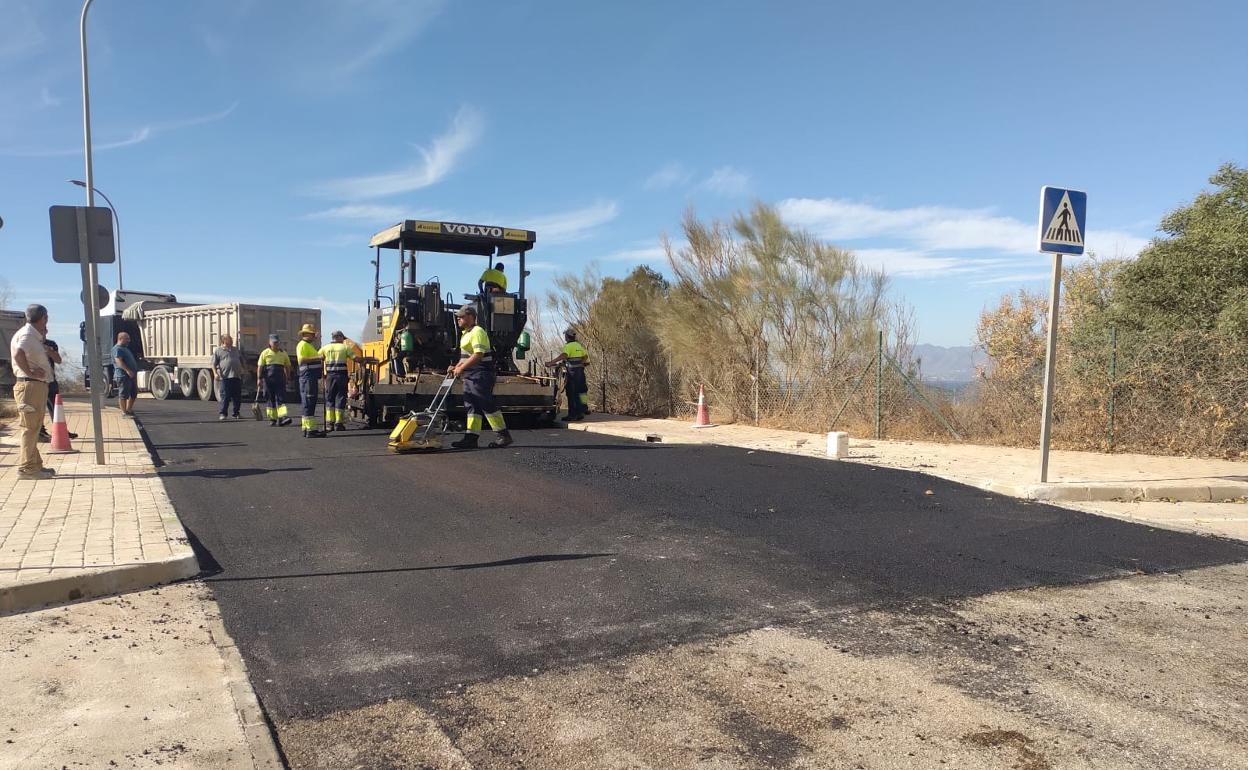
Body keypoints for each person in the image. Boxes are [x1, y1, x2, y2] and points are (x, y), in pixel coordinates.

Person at [448, 305, 511, 449]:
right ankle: (471, 438)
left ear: (471, 317)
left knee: (485, 403)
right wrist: (456, 366)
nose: (458, 318)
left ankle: (503, 435)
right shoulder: (466, 333)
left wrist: (461, 368)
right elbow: (466, 356)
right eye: (458, 316)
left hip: (481, 374)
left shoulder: (477, 331)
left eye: (461, 316)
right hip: (471, 375)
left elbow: (478, 355)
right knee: (472, 406)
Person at [10, 304, 54, 480]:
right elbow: (19, 354)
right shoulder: (27, 335)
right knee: (30, 428)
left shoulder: (32, 335)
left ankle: (35, 464)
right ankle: (27, 468)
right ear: (44, 318)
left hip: (33, 385)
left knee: (33, 428)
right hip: (30, 386)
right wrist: (30, 372)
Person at [546, 327, 591, 421]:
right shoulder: (579, 346)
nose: (565, 337)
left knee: (571, 393)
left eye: (565, 336)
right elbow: (585, 357)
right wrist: (579, 364)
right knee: (581, 392)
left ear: (568, 337)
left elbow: (565, 355)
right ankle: (582, 410)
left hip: (572, 373)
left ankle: (572, 414)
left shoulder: (568, 346)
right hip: (580, 373)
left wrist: (551, 362)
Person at [39, 339, 78, 441]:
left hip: (51, 380)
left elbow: (58, 360)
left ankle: (61, 431)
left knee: (56, 406)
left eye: (45, 329)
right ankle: (40, 431)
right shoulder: (31, 342)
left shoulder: (50, 344)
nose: (43, 331)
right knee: (39, 407)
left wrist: (49, 351)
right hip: (37, 380)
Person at [319, 330, 355, 432]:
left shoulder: (325, 348)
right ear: (339, 338)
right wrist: (363, 360)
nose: (343, 341)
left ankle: (329, 424)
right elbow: (355, 358)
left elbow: (319, 358)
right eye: (342, 339)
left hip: (330, 377)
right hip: (341, 377)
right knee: (340, 398)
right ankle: (338, 424)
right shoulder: (345, 347)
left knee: (330, 399)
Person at [295, 323, 326, 438]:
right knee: (309, 402)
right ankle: (310, 430)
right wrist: (318, 357)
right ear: (306, 334)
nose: (314, 336)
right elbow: (302, 360)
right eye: (312, 334)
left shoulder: (309, 345)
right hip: (307, 377)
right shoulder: (302, 345)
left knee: (309, 402)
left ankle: (307, 428)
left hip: (310, 377)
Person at [256, 335, 293, 426]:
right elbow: (260, 367)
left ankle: (282, 418)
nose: (276, 344)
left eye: (277, 342)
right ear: (270, 343)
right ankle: (273, 419)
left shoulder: (283, 353)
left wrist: (288, 377)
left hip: (280, 379)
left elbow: (287, 366)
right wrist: (259, 379)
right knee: (269, 398)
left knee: (280, 398)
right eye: (274, 342)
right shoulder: (265, 353)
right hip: (268, 379)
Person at [212, 334, 245, 421]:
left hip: (236, 376)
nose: (231, 341)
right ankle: (223, 413)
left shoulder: (235, 350)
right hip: (225, 377)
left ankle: (236, 413)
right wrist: (215, 374)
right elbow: (213, 364)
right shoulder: (218, 351)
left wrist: (243, 368)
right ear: (224, 341)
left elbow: (241, 360)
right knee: (225, 396)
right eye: (229, 339)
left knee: (237, 396)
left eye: (231, 339)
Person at [112, 331, 138, 418]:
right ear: (120, 339)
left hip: (131, 375)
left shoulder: (125, 348)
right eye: (127, 339)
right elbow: (119, 361)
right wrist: (128, 370)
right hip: (123, 375)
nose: (129, 340)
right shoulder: (117, 349)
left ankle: (129, 409)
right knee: (123, 394)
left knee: (134, 393)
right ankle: (124, 413)